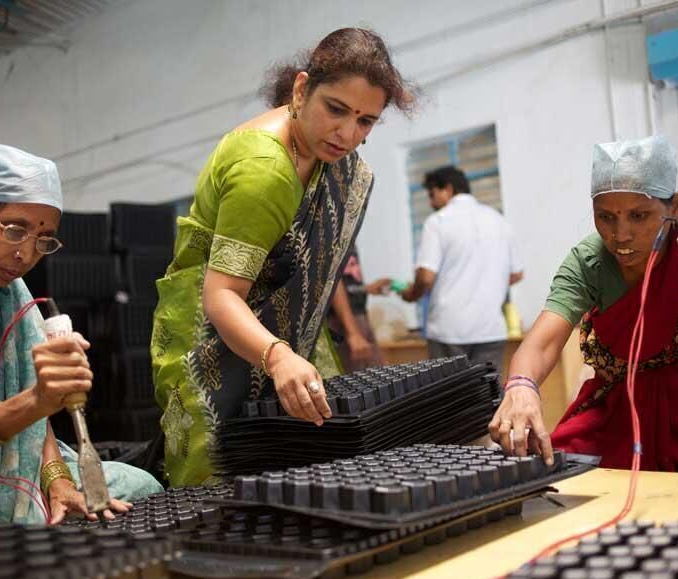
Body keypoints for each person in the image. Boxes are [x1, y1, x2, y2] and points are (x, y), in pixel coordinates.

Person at [150, 28, 416, 486]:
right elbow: (221, 296)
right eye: (336, 109)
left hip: (277, 341)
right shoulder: (265, 170)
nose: (348, 134)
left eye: (365, 121)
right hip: (211, 341)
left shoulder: (323, 155)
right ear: (300, 88)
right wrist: (277, 357)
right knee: (218, 486)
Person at [0, 144, 163, 524]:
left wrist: (58, 480)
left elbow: (29, 424)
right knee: (28, 525)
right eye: (14, 230)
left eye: (43, 239)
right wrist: (37, 400)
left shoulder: (4, 293)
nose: (27, 254)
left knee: (140, 485)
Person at [489, 135, 678, 475]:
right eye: (605, 217)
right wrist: (521, 386)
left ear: (674, 206)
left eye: (639, 215)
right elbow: (542, 343)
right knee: (560, 473)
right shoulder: (590, 263)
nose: (621, 235)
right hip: (624, 406)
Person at [400, 166, 523, 372]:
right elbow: (516, 273)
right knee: (487, 397)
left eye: (432, 195)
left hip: (449, 330)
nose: (431, 203)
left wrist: (412, 294)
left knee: (450, 399)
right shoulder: (498, 220)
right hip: (490, 329)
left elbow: (426, 277)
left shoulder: (437, 222)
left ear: (447, 189)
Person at [327, 247, 389, 371]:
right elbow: (331, 279)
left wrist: (366, 288)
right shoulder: (330, 230)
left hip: (357, 318)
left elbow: (346, 283)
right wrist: (353, 333)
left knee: (381, 373)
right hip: (342, 322)